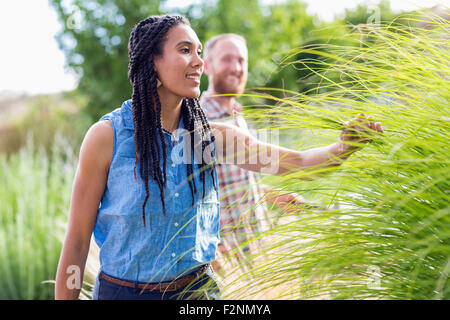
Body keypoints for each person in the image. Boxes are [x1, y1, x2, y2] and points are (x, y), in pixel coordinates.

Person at [54, 14, 383, 300]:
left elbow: (299, 164)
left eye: (198, 52)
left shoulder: (213, 139)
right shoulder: (107, 137)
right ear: (151, 61)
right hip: (123, 294)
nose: (198, 61)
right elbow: (78, 241)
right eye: (185, 51)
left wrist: (344, 148)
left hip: (198, 294)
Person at [200, 34, 307, 272]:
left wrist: (271, 194)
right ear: (206, 65)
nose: (235, 68)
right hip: (228, 271)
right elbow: (185, 200)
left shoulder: (237, 115)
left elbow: (228, 183)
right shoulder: (198, 122)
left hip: (259, 256)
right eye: (226, 59)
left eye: (241, 60)